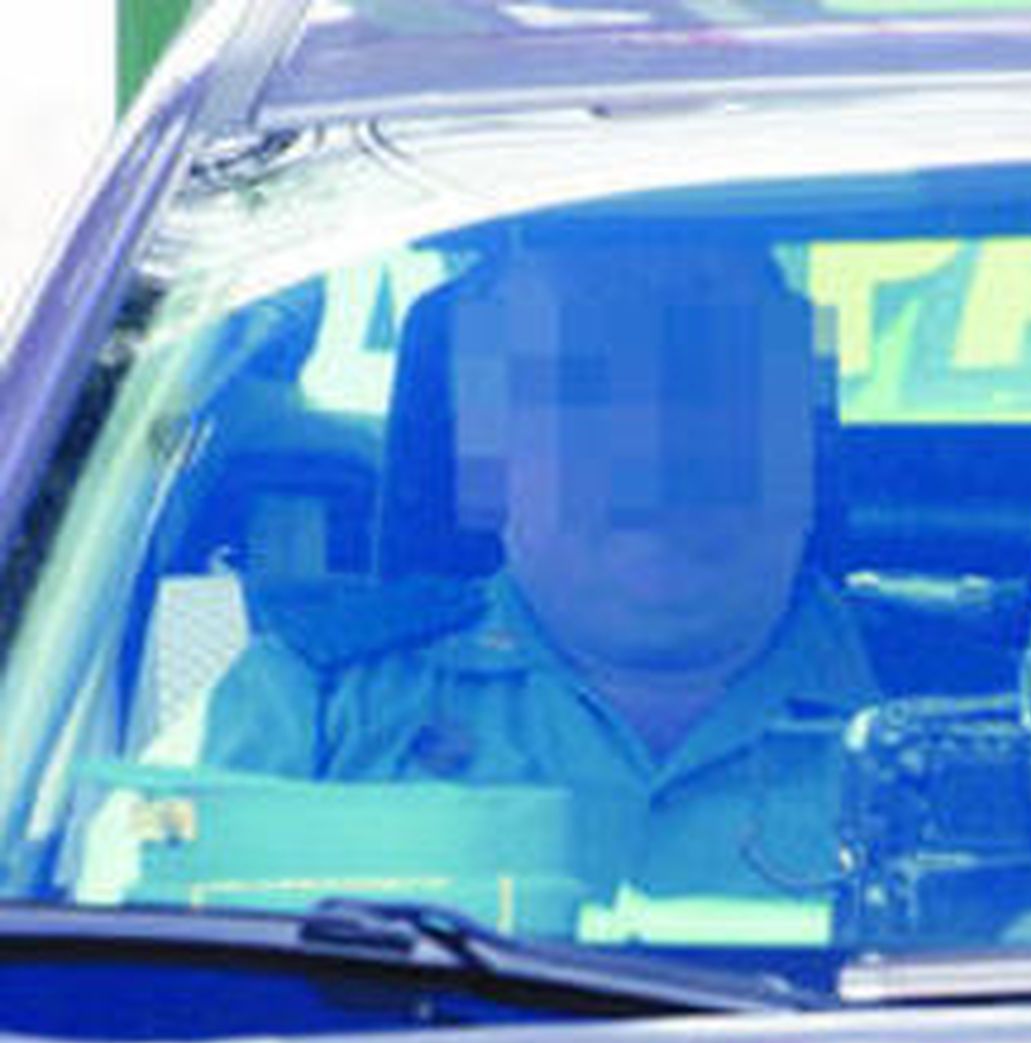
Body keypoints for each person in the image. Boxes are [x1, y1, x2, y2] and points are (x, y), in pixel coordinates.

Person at [199, 236, 878, 906]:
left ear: (803, 432)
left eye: (711, 386)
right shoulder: (313, 712)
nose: (657, 452)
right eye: (586, 392)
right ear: (491, 444)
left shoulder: (971, 705)